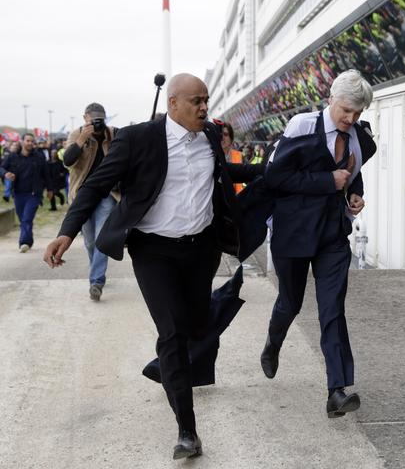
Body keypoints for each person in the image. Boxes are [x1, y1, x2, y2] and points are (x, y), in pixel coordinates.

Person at [44, 73, 262, 460]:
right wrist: (66, 232)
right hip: (154, 252)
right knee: (173, 332)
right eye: (196, 101)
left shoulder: (210, 136)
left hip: (200, 250)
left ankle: (168, 361)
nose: (204, 108)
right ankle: (187, 431)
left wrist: (271, 171)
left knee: (196, 325)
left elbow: (224, 174)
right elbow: (94, 185)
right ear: (172, 104)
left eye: (206, 100)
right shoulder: (138, 138)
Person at [260, 69, 377, 418]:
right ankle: (273, 342)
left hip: (332, 234)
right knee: (290, 302)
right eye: (346, 110)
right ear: (330, 100)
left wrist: (355, 195)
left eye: (357, 113)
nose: (351, 119)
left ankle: (337, 390)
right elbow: (275, 176)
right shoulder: (300, 125)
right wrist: (327, 180)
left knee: (332, 309)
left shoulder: (358, 137)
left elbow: (354, 176)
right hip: (293, 231)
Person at [64, 103, 120, 301]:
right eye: (93, 119)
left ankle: (96, 281)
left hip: (107, 194)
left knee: (100, 239)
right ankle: (96, 270)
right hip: (83, 195)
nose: (97, 123)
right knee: (89, 241)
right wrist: (81, 140)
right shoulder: (76, 134)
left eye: (101, 119)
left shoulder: (112, 134)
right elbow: (67, 161)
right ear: (85, 118)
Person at [0, 133, 52, 252]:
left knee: (27, 218)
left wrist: (50, 189)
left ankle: (24, 242)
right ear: (22, 141)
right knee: (23, 218)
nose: (30, 143)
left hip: (34, 194)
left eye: (32, 141)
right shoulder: (13, 156)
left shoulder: (39, 157)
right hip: (18, 193)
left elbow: (46, 174)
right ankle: (29, 239)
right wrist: (5, 174)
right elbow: (2, 168)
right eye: (28, 141)